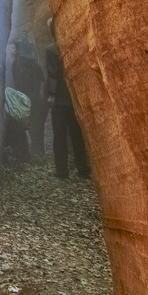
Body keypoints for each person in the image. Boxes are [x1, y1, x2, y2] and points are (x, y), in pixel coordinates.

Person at [44, 20, 89, 180]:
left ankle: (62, 171)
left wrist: (50, 95)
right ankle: (83, 169)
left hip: (59, 101)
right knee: (77, 135)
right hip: (74, 99)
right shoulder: (73, 48)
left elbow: (52, 74)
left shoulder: (50, 50)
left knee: (60, 136)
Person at [11, 37, 46, 159]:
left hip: (32, 98)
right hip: (25, 98)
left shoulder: (32, 66)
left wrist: (40, 95)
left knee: (34, 125)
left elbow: (41, 81)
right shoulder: (17, 65)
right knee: (25, 126)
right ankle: (28, 151)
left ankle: (36, 150)